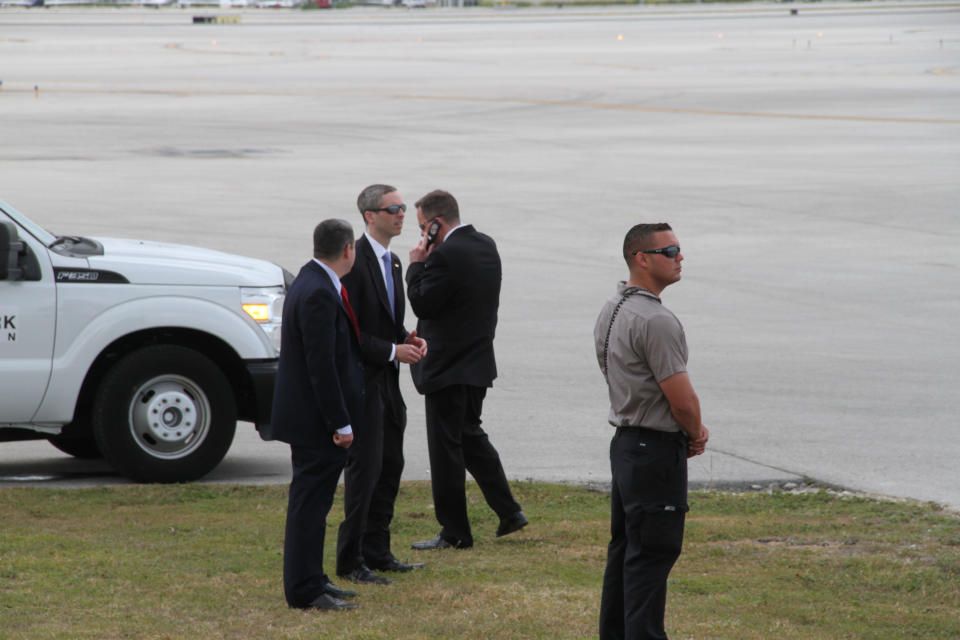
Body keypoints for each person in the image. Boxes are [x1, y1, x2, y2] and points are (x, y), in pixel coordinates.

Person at [594, 223, 710, 640]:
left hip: (626, 443)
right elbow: (681, 398)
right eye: (670, 250)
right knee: (651, 555)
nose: (680, 256)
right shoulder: (656, 320)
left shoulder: (614, 306)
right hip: (654, 449)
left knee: (626, 551)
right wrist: (695, 431)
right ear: (641, 259)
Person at [405, 189, 527, 551]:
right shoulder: (485, 245)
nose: (420, 234)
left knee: (446, 451)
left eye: (423, 226)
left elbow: (422, 303)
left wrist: (415, 264)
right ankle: (509, 512)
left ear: (436, 224)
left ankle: (455, 531)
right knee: (469, 438)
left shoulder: (444, 255)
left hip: (447, 367)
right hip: (476, 363)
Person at [271, 219, 365, 611]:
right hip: (315, 424)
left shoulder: (314, 281)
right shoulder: (318, 293)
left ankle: (314, 577)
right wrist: (340, 423)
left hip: (311, 420)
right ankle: (304, 590)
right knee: (309, 506)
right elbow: (321, 365)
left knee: (314, 504)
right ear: (347, 250)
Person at [336, 184, 428, 583]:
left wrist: (404, 337)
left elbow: (382, 323)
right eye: (393, 208)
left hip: (388, 383)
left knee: (391, 466)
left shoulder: (392, 263)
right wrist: (393, 351)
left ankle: (378, 551)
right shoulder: (354, 262)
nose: (402, 214)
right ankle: (350, 560)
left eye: (404, 207)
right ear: (370, 215)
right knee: (366, 471)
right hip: (363, 383)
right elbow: (351, 333)